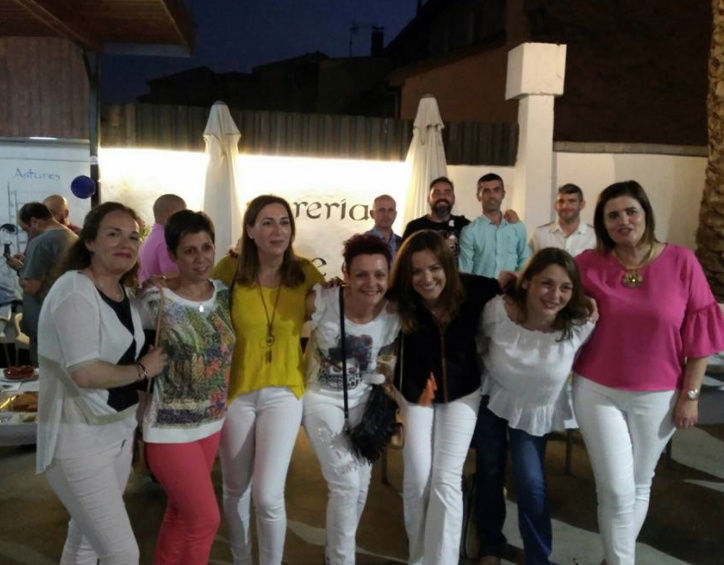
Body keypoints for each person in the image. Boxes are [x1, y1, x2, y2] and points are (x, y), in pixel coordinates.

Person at [571, 180, 724, 565]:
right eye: (613, 216)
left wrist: (690, 396)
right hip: (596, 390)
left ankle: (613, 558)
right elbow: (551, 295)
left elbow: (700, 339)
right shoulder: (588, 264)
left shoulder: (682, 262)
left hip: (659, 395)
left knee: (639, 483)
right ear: (603, 223)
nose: (623, 221)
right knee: (616, 488)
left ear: (645, 214)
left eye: (631, 211)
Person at [36, 202, 167, 564]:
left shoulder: (124, 293)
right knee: (122, 552)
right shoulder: (74, 290)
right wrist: (142, 370)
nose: (125, 243)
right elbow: (85, 372)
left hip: (117, 432)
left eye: (133, 237)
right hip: (78, 439)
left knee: (86, 541)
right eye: (113, 234)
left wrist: (155, 290)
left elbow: (152, 318)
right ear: (90, 241)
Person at [212, 194, 324, 565]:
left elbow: (338, 309)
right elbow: (199, 303)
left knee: (268, 495)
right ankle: (242, 559)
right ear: (249, 230)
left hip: (284, 391)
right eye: (267, 222)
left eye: (284, 222)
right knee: (235, 487)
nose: (278, 230)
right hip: (237, 392)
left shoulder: (305, 272)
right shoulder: (229, 270)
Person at [388, 230, 499, 565]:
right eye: (416, 271)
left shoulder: (474, 289)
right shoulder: (399, 298)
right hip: (415, 394)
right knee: (418, 477)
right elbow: (360, 294)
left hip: (463, 393)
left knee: (445, 478)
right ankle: (419, 557)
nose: (427, 278)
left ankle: (443, 560)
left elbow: (520, 287)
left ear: (447, 266)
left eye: (434, 268)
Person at [478, 248, 595, 565]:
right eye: (546, 283)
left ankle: (537, 558)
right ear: (527, 281)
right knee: (490, 470)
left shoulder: (579, 324)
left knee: (531, 483)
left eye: (565, 287)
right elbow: (475, 341)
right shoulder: (499, 311)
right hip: (493, 398)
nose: (555, 295)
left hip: (534, 409)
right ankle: (490, 544)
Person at [139, 210, 235, 565]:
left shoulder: (223, 293)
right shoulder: (155, 300)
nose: (200, 258)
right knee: (205, 519)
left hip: (211, 423)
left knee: (180, 513)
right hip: (169, 428)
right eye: (189, 250)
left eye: (206, 247)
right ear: (172, 255)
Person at [303, 233, 400, 565]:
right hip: (320, 400)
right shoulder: (324, 301)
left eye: (379, 274)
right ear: (345, 274)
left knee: (360, 483)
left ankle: (335, 552)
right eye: (361, 274)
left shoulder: (393, 312)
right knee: (345, 482)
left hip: (364, 404)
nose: (371, 283)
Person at [16, 202, 77, 365]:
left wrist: (19, 270)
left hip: (44, 321)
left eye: (25, 229)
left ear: (34, 221)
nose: (28, 235)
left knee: (44, 372)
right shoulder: (72, 237)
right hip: (67, 319)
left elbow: (31, 287)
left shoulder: (40, 242)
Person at [458, 172, 530, 278]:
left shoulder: (517, 227)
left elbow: (525, 262)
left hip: (511, 288)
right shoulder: (470, 232)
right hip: (481, 288)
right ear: (478, 196)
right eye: (486, 191)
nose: (492, 196)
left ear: (503, 194)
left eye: (496, 190)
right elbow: (465, 272)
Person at [401, 176, 470, 259]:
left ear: (454, 198)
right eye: (437, 193)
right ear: (428, 199)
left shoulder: (465, 225)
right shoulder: (414, 227)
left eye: (447, 193)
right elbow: (404, 259)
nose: (442, 196)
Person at [529, 183, 595, 256]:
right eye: (561, 201)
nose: (565, 206)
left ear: (582, 205)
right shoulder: (540, 234)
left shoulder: (594, 236)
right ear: (555, 205)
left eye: (571, 201)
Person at [139, 194, 187, 285]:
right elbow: (173, 279)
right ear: (171, 213)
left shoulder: (151, 237)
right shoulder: (166, 240)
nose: (185, 219)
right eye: (183, 214)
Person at [366, 194, 403, 263]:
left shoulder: (403, 243)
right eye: (381, 210)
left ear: (395, 214)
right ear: (372, 214)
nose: (386, 215)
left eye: (390, 210)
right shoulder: (362, 242)